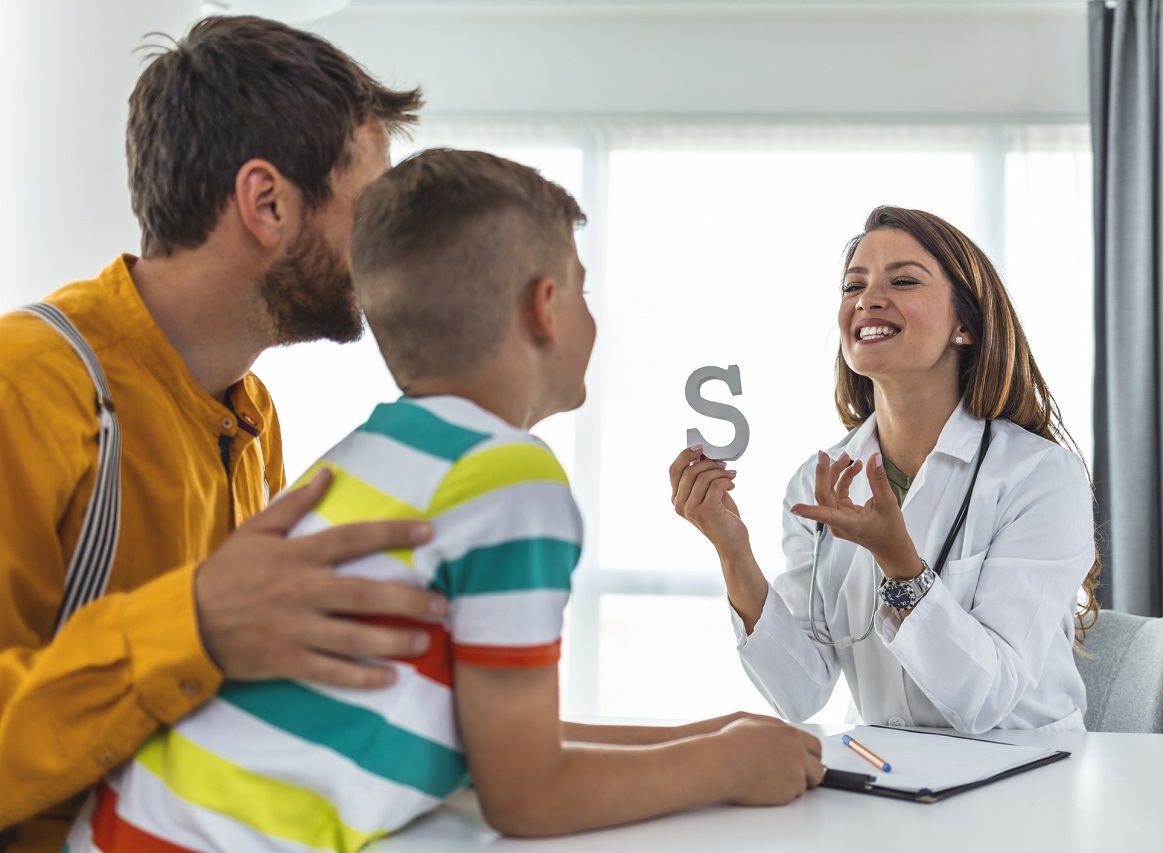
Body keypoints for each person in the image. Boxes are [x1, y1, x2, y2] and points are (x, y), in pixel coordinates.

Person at [64, 148, 825, 851]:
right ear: (546, 307)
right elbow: (526, 794)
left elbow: (493, 735)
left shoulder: (374, 454)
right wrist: (724, 766)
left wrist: (710, 732)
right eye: (584, 291)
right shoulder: (511, 478)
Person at [0, 17, 451, 853]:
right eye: (376, 207)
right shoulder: (25, 386)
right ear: (268, 203)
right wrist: (197, 621)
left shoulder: (251, 413)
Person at [670, 206, 1101, 734]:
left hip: (1021, 777)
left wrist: (900, 566)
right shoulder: (816, 481)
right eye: (854, 285)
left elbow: (988, 699)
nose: (868, 299)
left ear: (964, 324)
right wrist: (732, 550)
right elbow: (800, 693)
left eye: (902, 280)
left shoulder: (1039, 477)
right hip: (887, 774)